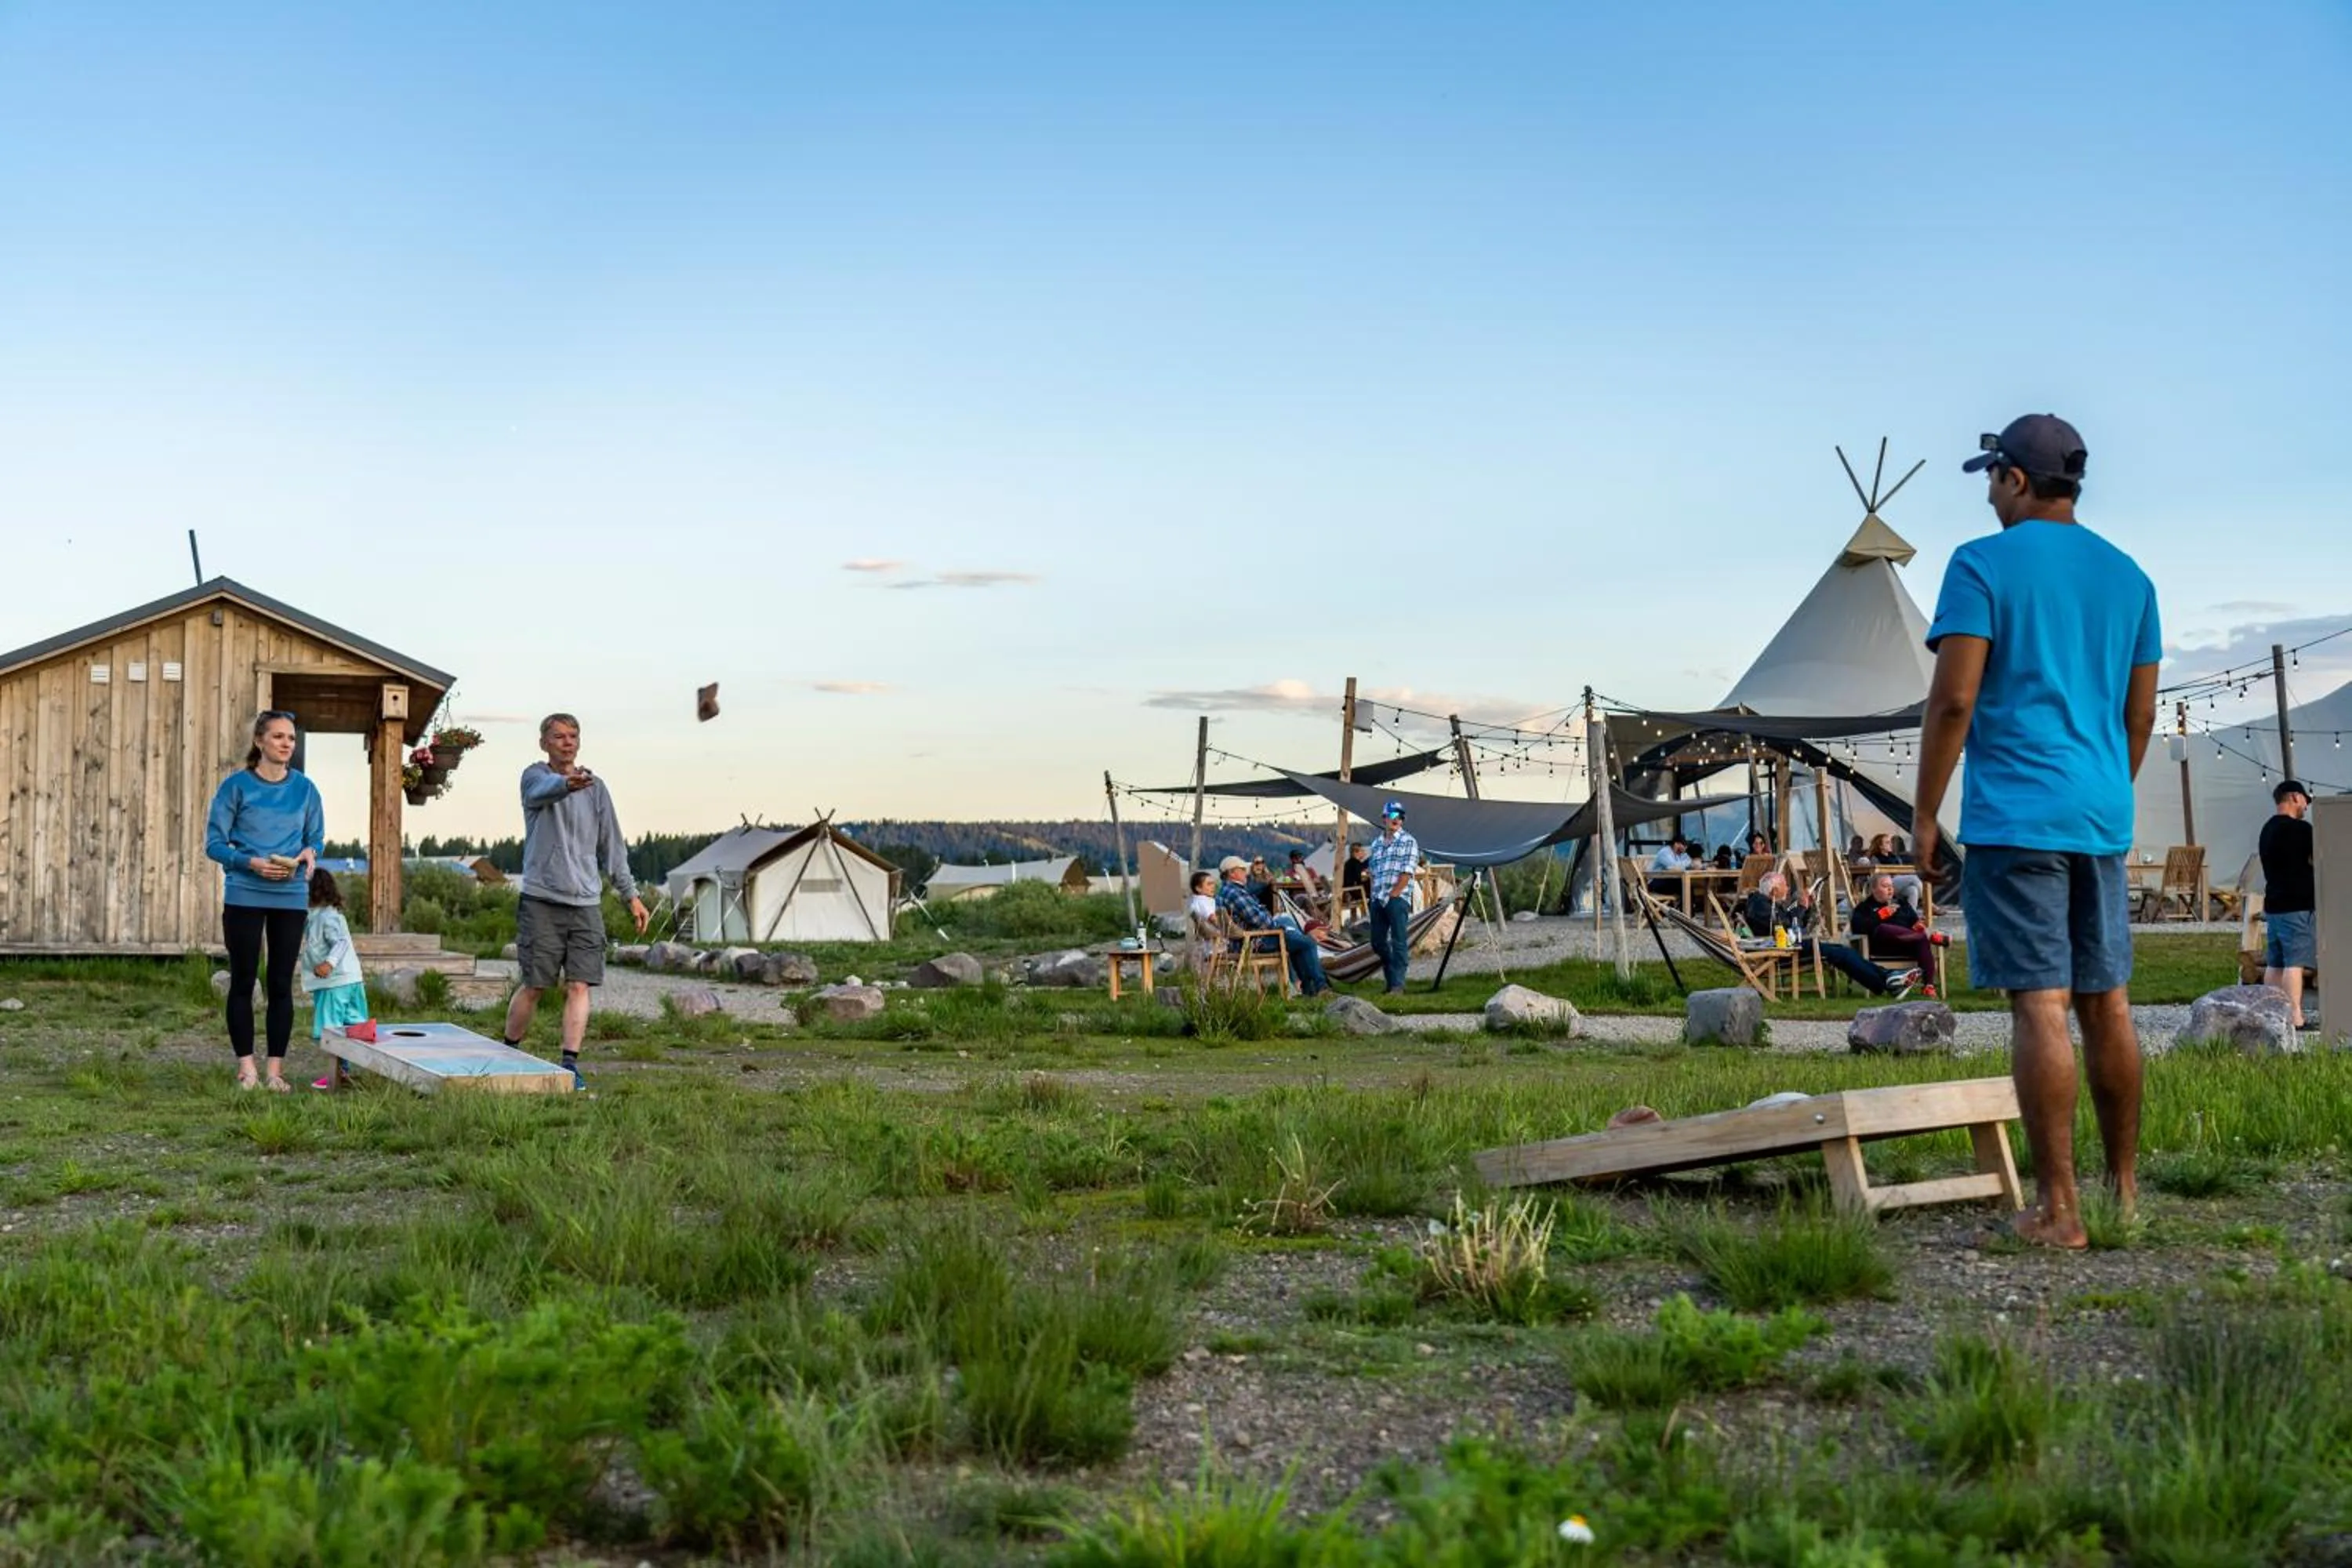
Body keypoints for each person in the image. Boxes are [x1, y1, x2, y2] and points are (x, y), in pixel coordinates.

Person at [1914, 412, 2159, 1250]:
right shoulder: (2130, 577)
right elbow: (2139, 716)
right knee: (2107, 1000)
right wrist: (2103, 789)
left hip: (2017, 815)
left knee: (2041, 1004)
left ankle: (2059, 1209)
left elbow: (1954, 699)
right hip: (2099, 813)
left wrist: (1924, 812)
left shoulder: (1980, 564)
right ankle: (2124, 1191)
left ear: (2015, 478)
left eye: (1991, 478)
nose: (1988, 495)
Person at [502, 713, 650, 1089]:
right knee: (535, 985)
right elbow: (541, 791)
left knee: (580, 985)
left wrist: (631, 895)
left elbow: (612, 845)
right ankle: (507, 1052)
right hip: (542, 899)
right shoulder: (534, 777)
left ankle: (570, 1065)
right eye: (559, 736)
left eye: (572, 736)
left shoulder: (597, 789)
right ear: (544, 743)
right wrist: (568, 784)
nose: (567, 742)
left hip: (586, 902)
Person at [204, 710, 324, 1091]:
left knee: (281, 983)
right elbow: (214, 845)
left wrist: (309, 853)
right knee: (243, 979)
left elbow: (315, 840)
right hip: (245, 892)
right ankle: (247, 1069)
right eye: (278, 736)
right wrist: (249, 862)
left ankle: (274, 1072)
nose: (287, 743)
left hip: (291, 895)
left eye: (291, 738)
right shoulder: (236, 788)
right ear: (259, 741)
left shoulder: (306, 789)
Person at [1744, 871, 1917, 998]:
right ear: (1774, 890)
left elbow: (1793, 925)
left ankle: (1887, 977)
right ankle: (1887, 981)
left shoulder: (1766, 903)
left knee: (1842, 951)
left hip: (1789, 946)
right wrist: (1801, 907)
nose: (1788, 889)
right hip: (1782, 952)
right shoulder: (1760, 905)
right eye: (1784, 886)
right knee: (1842, 954)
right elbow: (1786, 926)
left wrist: (1807, 908)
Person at [1213, 855, 1330, 996]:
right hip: (1254, 942)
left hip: (1243, 940)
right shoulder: (1235, 893)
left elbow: (1255, 915)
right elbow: (1257, 919)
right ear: (1232, 873)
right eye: (1242, 870)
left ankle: (1311, 989)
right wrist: (1277, 925)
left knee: (1295, 936)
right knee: (1307, 942)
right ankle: (1319, 987)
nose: (1246, 873)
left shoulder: (1225, 891)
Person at [303, 868, 367, 1091]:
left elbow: (340, 942)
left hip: (334, 983)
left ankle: (336, 1075)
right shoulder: (331, 915)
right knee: (352, 1026)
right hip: (352, 980)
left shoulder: (325, 917)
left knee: (331, 1030)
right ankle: (345, 1071)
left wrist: (329, 963)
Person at [2259, 779, 2315, 1029]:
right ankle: (2295, 1018)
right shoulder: (2301, 830)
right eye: (2305, 800)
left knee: (2276, 963)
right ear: (2294, 797)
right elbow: (2320, 856)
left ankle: (2270, 1015)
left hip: (2274, 904)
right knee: (2295, 963)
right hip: (2297, 905)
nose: (2306, 806)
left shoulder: (2267, 829)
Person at [1850, 871, 1950, 998]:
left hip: (1905, 946)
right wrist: (1880, 915)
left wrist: (1918, 926)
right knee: (1884, 928)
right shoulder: (1865, 907)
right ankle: (1930, 937)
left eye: (1891, 886)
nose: (1890, 889)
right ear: (1874, 889)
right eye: (1885, 886)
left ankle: (1928, 986)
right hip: (1880, 947)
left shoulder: (1902, 904)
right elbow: (1858, 927)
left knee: (1920, 939)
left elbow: (1914, 921)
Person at [1365, 800, 1421, 994]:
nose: (1397, 819)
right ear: (1384, 819)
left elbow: (1407, 872)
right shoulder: (1376, 844)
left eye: (1400, 816)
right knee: (1377, 943)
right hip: (1377, 898)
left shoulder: (1409, 841)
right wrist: (1373, 896)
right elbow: (1373, 872)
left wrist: (1395, 894)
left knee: (1399, 941)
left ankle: (1397, 985)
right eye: (1393, 815)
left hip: (1398, 898)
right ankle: (1391, 979)